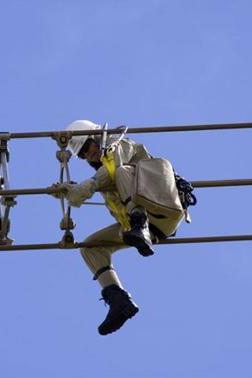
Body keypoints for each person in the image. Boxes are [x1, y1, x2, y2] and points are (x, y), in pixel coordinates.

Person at [61, 120, 185, 336]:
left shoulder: (121, 145)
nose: (87, 155)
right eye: (81, 155)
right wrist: (68, 191)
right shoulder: (103, 170)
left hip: (161, 210)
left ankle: (140, 225)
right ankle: (119, 301)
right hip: (144, 230)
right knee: (90, 247)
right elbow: (102, 177)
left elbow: (110, 173)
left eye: (87, 147)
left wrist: (84, 188)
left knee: (121, 173)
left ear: (97, 137)